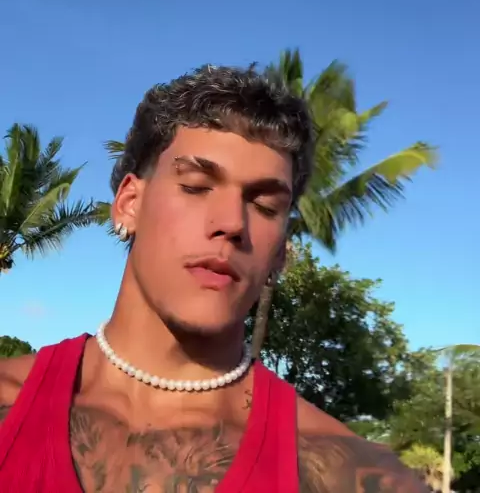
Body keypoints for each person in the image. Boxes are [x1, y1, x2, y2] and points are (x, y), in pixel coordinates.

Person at [0, 65, 427, 492]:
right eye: (197, 186)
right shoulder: (10, 402)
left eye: (265, 206)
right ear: (129, 203)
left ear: (280, 249)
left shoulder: (350, 473)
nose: (232, 223)